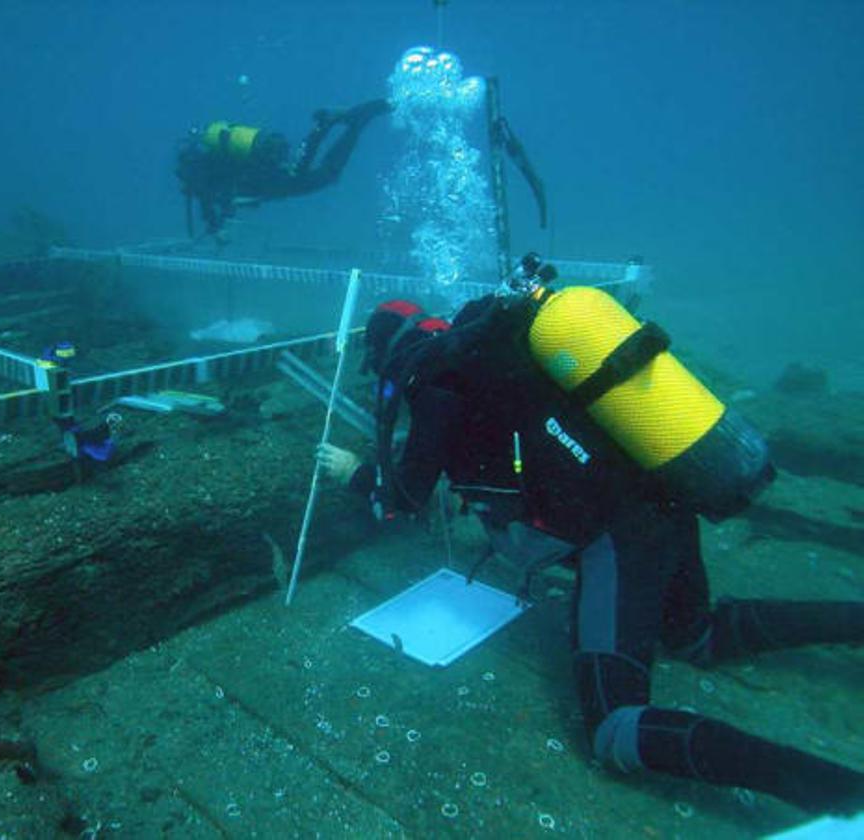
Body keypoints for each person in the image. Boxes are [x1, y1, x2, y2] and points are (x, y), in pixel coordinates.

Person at [316, 256, 864, 816]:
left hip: (617, 533)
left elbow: (406, 499)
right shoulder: (498, 355)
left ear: (386, 353)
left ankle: (841, 792)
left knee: (615, 729)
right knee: (697, 633)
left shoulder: (433, 384)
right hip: (666, 490)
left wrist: (355, 473)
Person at [175, 99, 392, 240]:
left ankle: (325, 124)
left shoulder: (200, 179)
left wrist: (216, 228)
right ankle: (354, 124)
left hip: (264, 180)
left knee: (310, 173)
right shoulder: (208, 170)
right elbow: (226, 199)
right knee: (323, 174)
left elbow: (212, 202)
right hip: (263, 179)